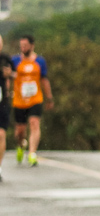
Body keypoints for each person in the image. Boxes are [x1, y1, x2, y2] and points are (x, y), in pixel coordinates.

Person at [11, 35, 54, 167]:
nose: (23, 48)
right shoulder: (15, 61)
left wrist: (49, 98)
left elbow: (44, 79)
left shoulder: (40, 61)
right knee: (20, 131)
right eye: (21, 45)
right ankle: (21, 145)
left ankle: (32, 153)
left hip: (35, 99)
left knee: (34, 123)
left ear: (32, 45)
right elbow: (8, 77)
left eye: (25, 45)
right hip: (19, 100)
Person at [0, 34, 12, 182]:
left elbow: (13, 75)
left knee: (1, 135)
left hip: (2, 102)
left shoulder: (5, 59)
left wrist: (10, 75)